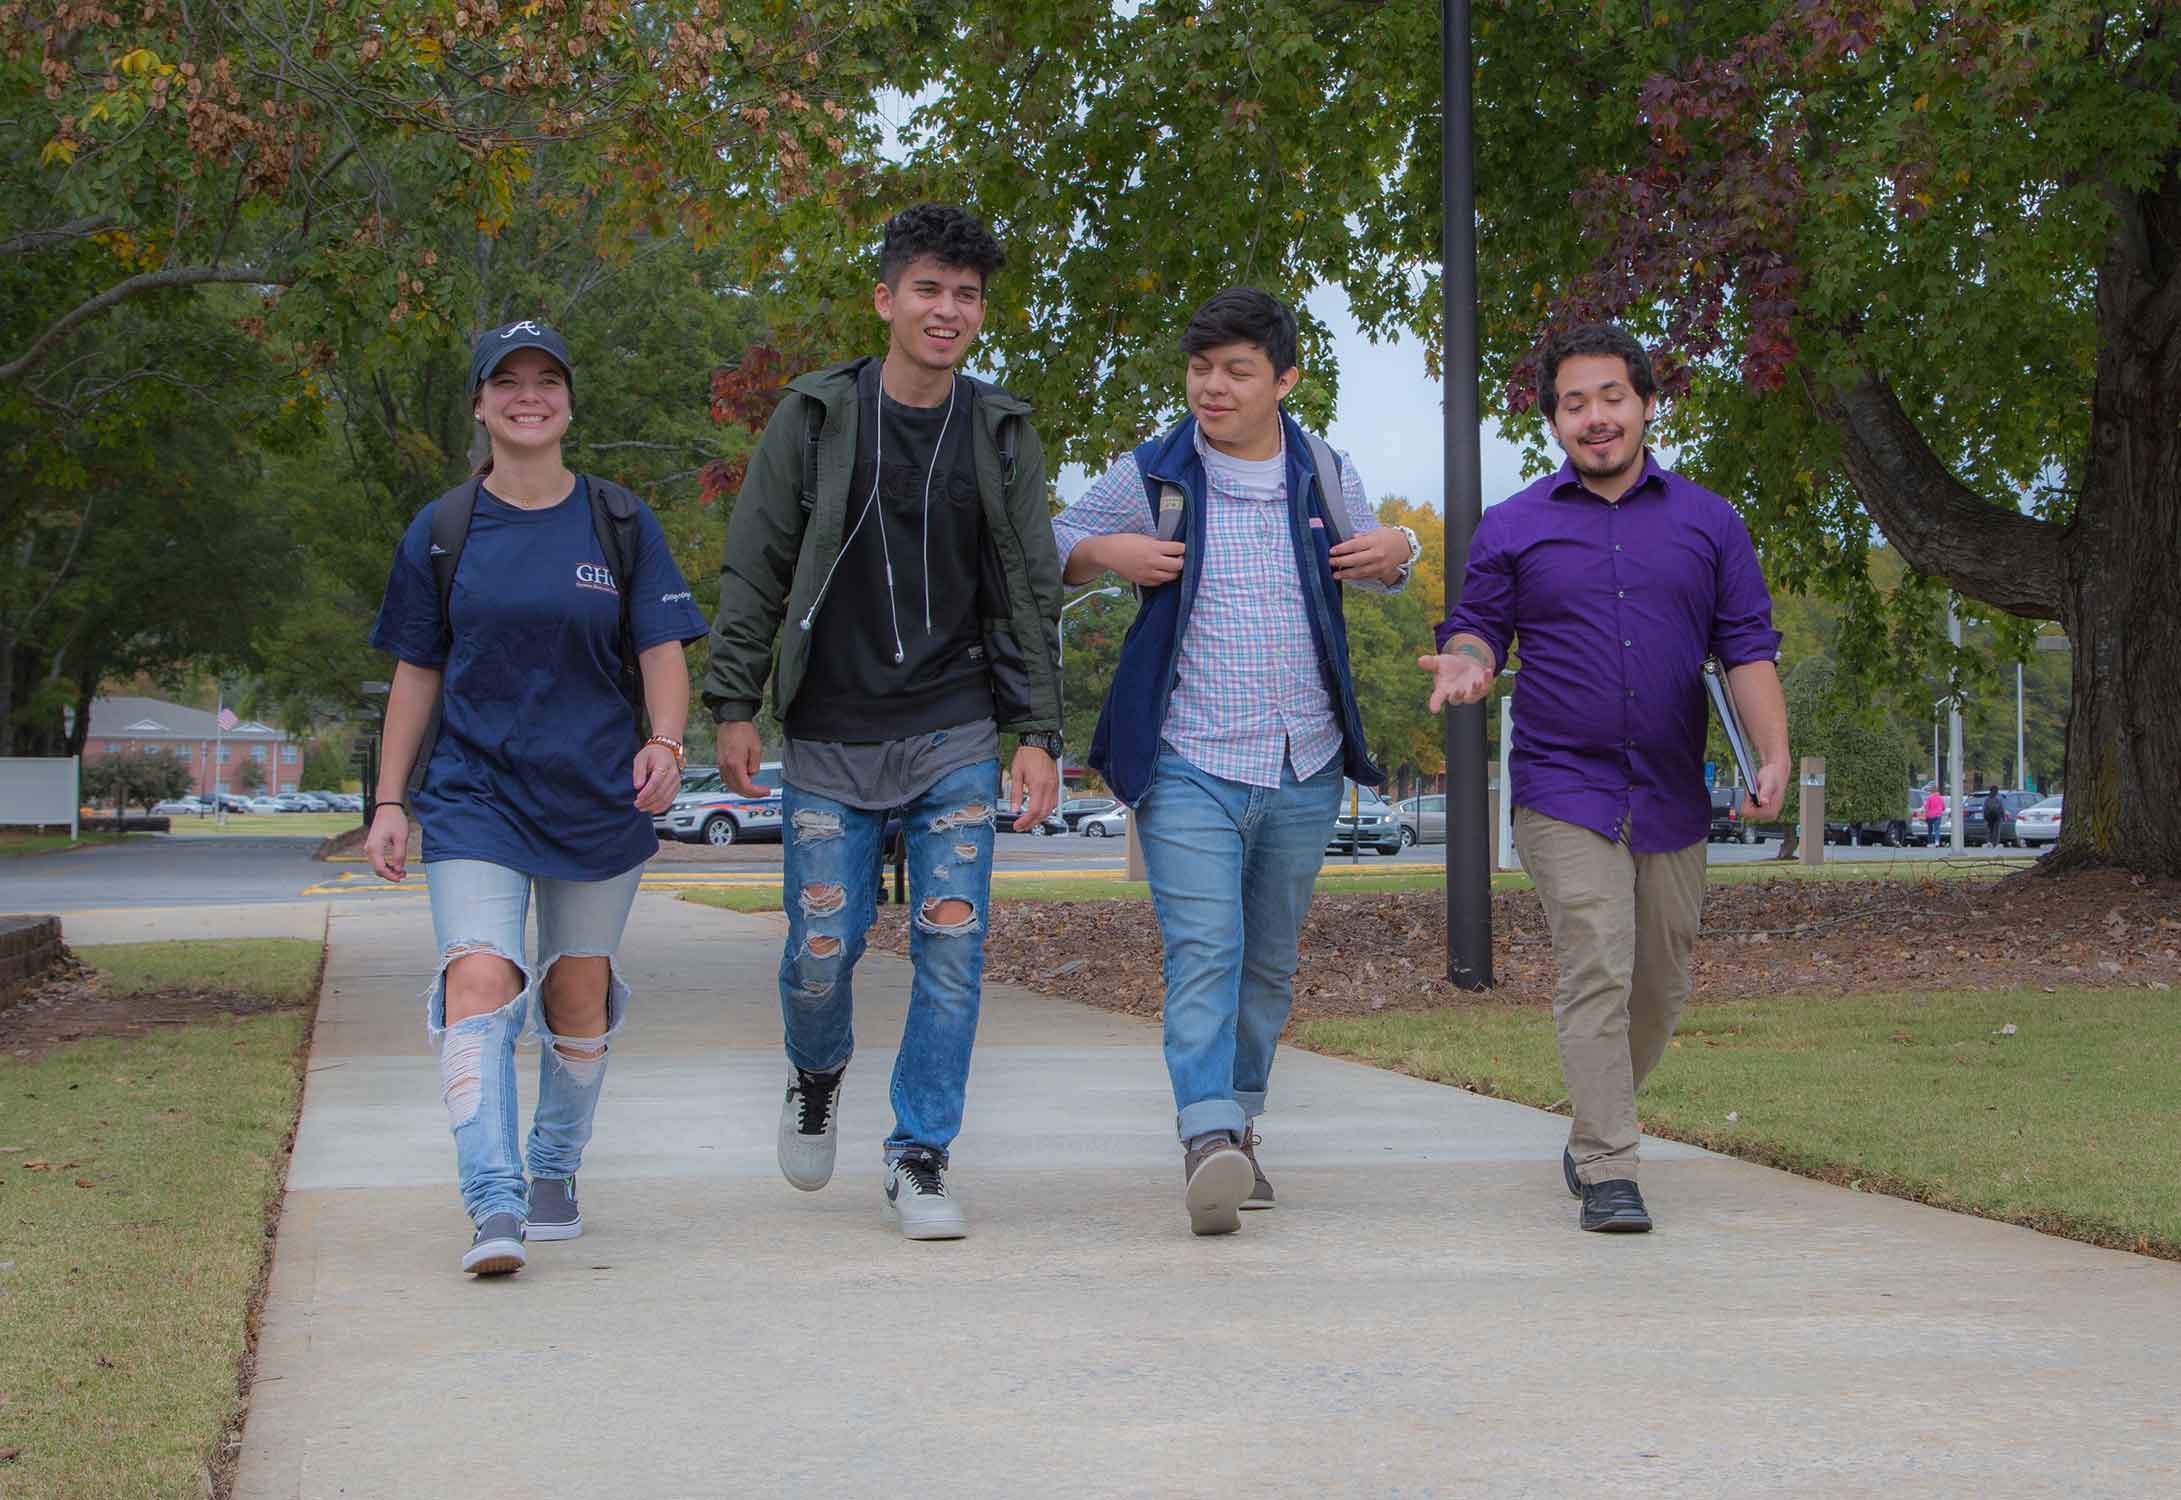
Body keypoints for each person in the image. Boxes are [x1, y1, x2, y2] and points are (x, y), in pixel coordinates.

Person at [703, 204, 1063, 1241]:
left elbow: (1030, 588)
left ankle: (919, 1153)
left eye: (966, 295)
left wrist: (1037, 731)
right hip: (830, 731)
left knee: (952, 947)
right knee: (824, 946)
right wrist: (734, 703)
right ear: (885, 298)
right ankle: (815, 1073)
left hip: (953, 727)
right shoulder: (816, 417)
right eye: (928, 290)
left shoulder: (999, 431)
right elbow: (756, 565)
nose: (947, 310)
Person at [1051, 288, 1418, 1236]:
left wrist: (1403, 547)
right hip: (1187, 760)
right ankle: (1206, 1135)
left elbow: (1378, 558)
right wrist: (1107, 548)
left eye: (1237, 371)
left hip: (1305, 764)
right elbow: (1048, 548)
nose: (1213, 387)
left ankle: (1238, 1126)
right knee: (1204, 953)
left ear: (1284, 381)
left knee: (1268, 969)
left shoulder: (1323, 468)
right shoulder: (1157, 471)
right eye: (1200, 368)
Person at [1420, 321, 1788, 1235]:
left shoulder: (1710, 522)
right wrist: (1467, 661)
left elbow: (1745, 647)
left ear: (1645, 404)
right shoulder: (1512, 527)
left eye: (1610, 397)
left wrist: (1771, 750)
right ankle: (1608, 1164)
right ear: (1551, 420)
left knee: (1660, 982)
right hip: (1562, 785)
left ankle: (1596, 1115)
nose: (1594, 417)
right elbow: (1475, 628)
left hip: (1670, 789)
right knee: (1596, 958)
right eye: (1573, 403)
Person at [366, 319, 709, 1275]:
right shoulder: (442, 532)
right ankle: (493, 1202)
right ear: (478, 404)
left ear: (567, 400)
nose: (529, 395)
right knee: (479, 975)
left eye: (546, 380)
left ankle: (554, 1165)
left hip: (598, 793)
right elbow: (415, 674)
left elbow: (661, 652)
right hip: (475, 794)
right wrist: (391, 801)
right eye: (506, 381)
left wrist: (665, 742)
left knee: (575, 986)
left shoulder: (619, 520)